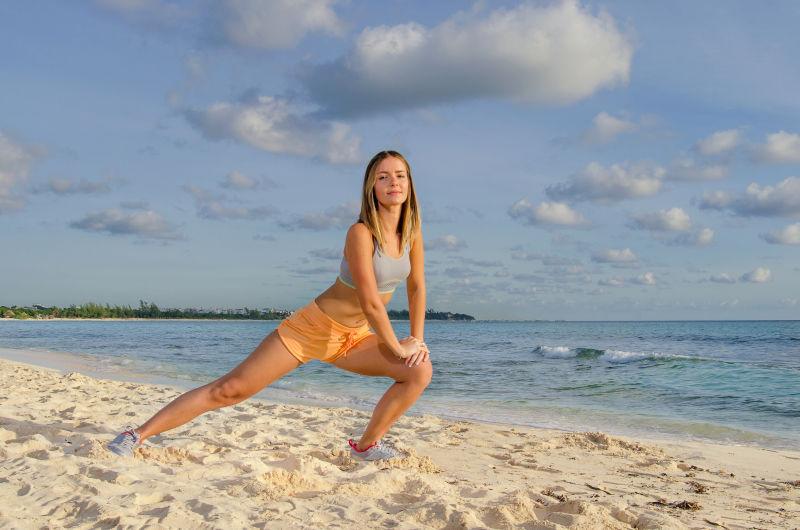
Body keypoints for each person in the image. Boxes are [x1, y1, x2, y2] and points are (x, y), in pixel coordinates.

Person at [108, 150, 431, 461]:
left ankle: (366, 446)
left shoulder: (411, 234)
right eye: (383, 177)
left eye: (400, 176)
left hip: (355, 337)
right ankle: (135, 435)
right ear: (371, 187)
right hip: (311, 328)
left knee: (419, 371)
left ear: (410, 183)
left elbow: (416, 287)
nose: (394, 183)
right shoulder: (361, 233)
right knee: (229, 390)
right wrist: (396, 347)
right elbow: (371, 301)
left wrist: (416, 341)